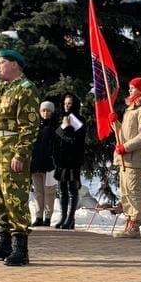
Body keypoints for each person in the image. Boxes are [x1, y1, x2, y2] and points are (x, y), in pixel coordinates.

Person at [0, 49, 39, 265]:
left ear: (15, 65)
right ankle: (3, 243)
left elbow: (29, 126)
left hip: (12, 149)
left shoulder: (25, 89)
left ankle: (21, 248)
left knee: (15, 197)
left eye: (2, 62)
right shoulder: (3, 87)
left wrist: (21, 153)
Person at [113, 76, 141, 239]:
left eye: (133, 87)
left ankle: (135, 224)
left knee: (133, 190)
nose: (130, 90)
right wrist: (114, 123)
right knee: (125, 191)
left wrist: (126, 147)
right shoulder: (131, 108)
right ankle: (129, 220)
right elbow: (124, 133)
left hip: (134, 157)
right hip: (124, 158)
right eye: (129, 87)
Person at [53, 92, 86, 230]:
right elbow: (55, 136)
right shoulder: (61, 118)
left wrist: (66, 128)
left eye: (70, 104)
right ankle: (63, 216)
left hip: (73, 159)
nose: (67, 106)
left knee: (72, 189)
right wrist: (63, 127)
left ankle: (70, 218)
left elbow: (76, 141)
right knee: (62, 189)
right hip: (61, 160)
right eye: (65, 104)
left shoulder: (80, 120)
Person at [29, 100, 59, 226]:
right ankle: (38, 216)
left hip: (51, 165)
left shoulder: (56, 127)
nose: (46, 113)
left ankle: (48, 217)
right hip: (36, 164)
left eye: (48, 111)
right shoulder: (35, 126)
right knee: (38, 192)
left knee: (49, 192)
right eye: (43, 110)